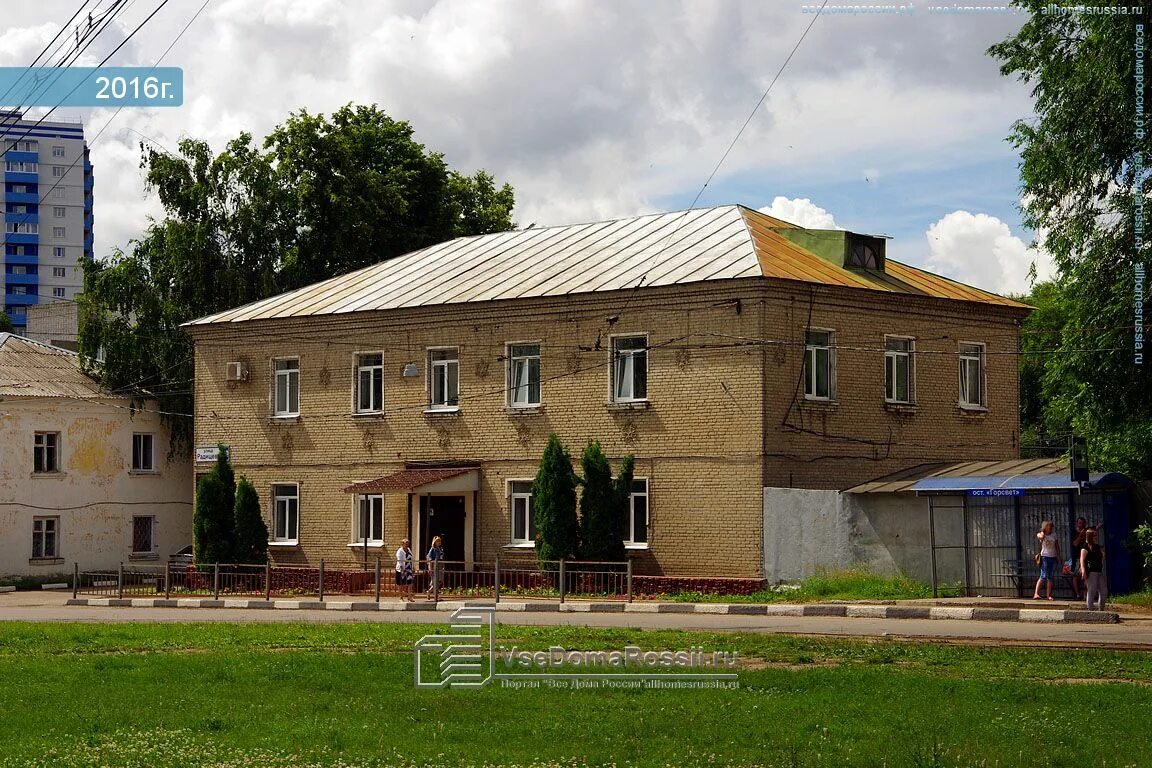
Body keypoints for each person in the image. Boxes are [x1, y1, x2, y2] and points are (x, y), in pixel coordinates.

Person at [1080, 527, 1107, 611]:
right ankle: (1090, 609)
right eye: (1094, 535)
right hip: (1091, 572)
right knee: (1091, 590)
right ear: (1090, 536)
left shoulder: (1096, 546)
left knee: (1104, 591)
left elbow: (1101, 555)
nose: (1096, 537)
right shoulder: (1085, 547)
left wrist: (1102, 556)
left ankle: (1101, 608)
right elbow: (1082, 559)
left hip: (1099, 571)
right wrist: (1083, 570)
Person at [1033, 520, 1061, 601]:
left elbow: (1057, 546)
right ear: (1045, 527)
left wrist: (1059, 556)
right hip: (1045, 557)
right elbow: (1040, 537)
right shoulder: (1041, 534)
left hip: (1053, 557)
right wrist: (1043, 532)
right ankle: (1036, 593)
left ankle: (1048, 595)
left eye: (1051, 526)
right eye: (1049, 526)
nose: (1051, 528)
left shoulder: (1054, 535)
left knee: (1050, 577)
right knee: (1043, 575)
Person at [1070, 516, 1089, 599]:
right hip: (1077, 557)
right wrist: (1080, 535)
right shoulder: (1074, 532)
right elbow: (1075, 544)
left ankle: (1086, 594)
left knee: (1086, 576)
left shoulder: (1086, 531)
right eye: (1079, 523)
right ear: (1077, 524)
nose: (1081, 525)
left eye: (1082, 523)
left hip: (1086, 556)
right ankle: (1077, 594)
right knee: (1075, 576)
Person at [394, 538, 414, 602]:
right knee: (400, 584)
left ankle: (409, 597)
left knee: (410, 583)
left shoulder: (408, 550)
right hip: (401, 569)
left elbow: (411, 558)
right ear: (402, 544)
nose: (407, 545)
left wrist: (412, 567)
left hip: (408, 568)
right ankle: (401, 597)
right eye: (406, 543)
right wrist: (402, 569)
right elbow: (399, 561)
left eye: (408, 543)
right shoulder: (400, 551)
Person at [426, 535, 444, 599]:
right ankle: (436, 596)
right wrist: (430, 569)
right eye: (437, 541)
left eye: (439, 541)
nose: (439, 542)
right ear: (434, 542)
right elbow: (430, 559)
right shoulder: (432, 549)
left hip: (440, 566)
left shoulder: (440, 548)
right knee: (435, 581)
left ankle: (429, 591)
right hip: (434, 567)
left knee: (439, 581)